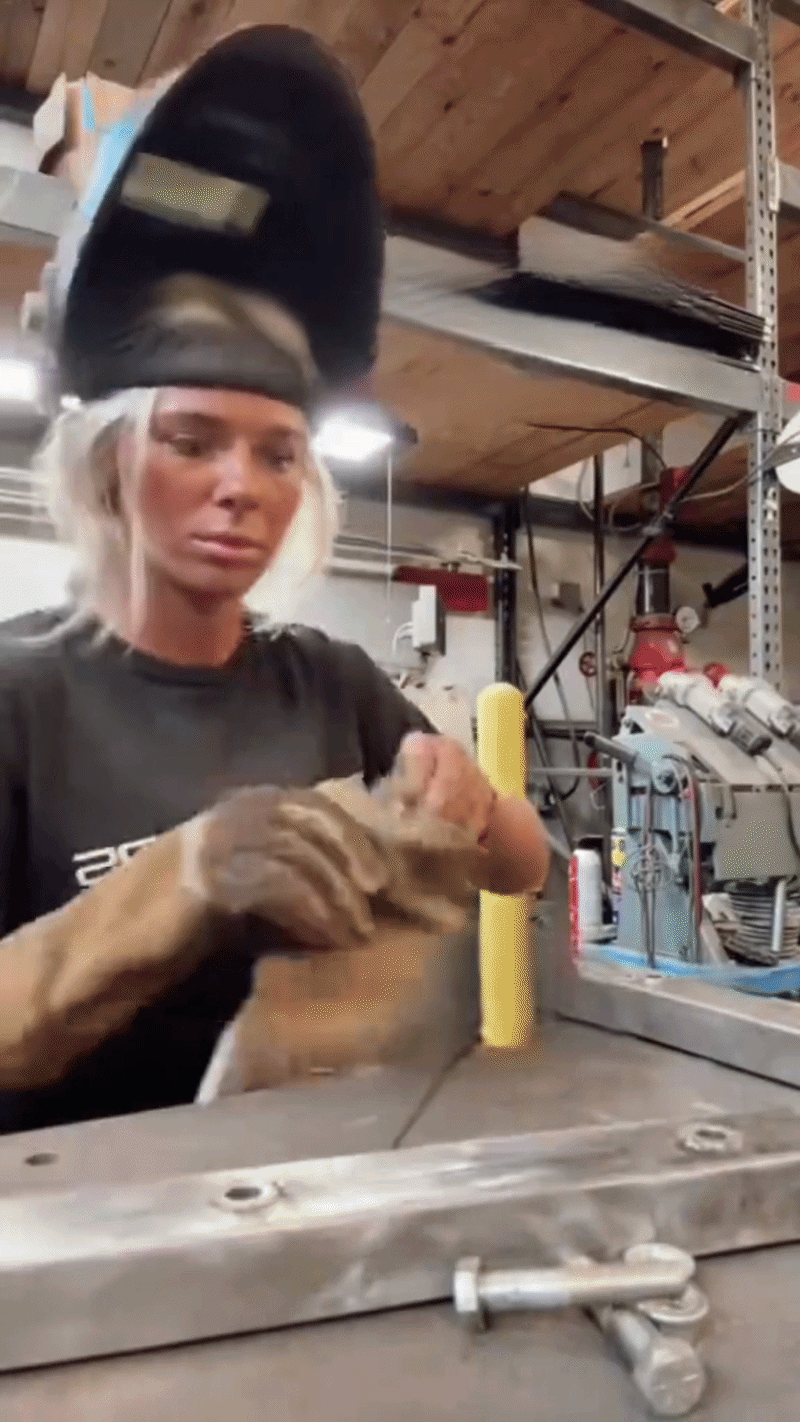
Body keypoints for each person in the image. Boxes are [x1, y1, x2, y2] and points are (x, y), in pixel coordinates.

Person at [0, 34, 549, 1137]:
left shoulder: (329, 685)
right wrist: (178, 882)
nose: (240, 488)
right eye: (193, 442)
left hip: (308, 1190)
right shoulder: (20, 700)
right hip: (69, 1217)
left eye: (279, 454)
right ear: (109, 463)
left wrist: (470, 800)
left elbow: (522, 869)